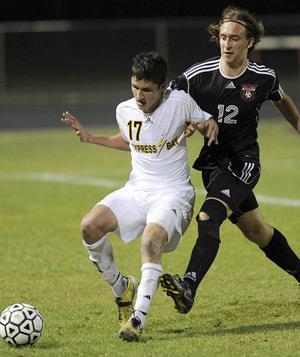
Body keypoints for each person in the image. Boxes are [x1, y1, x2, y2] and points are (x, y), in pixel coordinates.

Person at [61, 51, 218, 341]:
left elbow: (205, 120)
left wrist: (206, 125)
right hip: (137, 189)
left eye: (147, 90)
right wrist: (92, 137)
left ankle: (136, 319)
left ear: (162, 88)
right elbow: (131, 141)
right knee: (89, 226)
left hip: (173, 193)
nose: (139, 96)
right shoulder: (125, 110)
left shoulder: (179, 102)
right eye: (135, 87)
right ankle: (123, 290)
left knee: (150, 241)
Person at [160, 5, 300, 314]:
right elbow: (168, 102)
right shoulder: (198, 75)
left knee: (209, 216)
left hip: (243, 163)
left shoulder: (263, 78)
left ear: (250, 41)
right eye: (223, 37)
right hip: (212, 165)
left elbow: (282, 99)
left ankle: (188, 287)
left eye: (235, 38)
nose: (227, 44)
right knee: (257, 232)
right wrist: (189, 123)